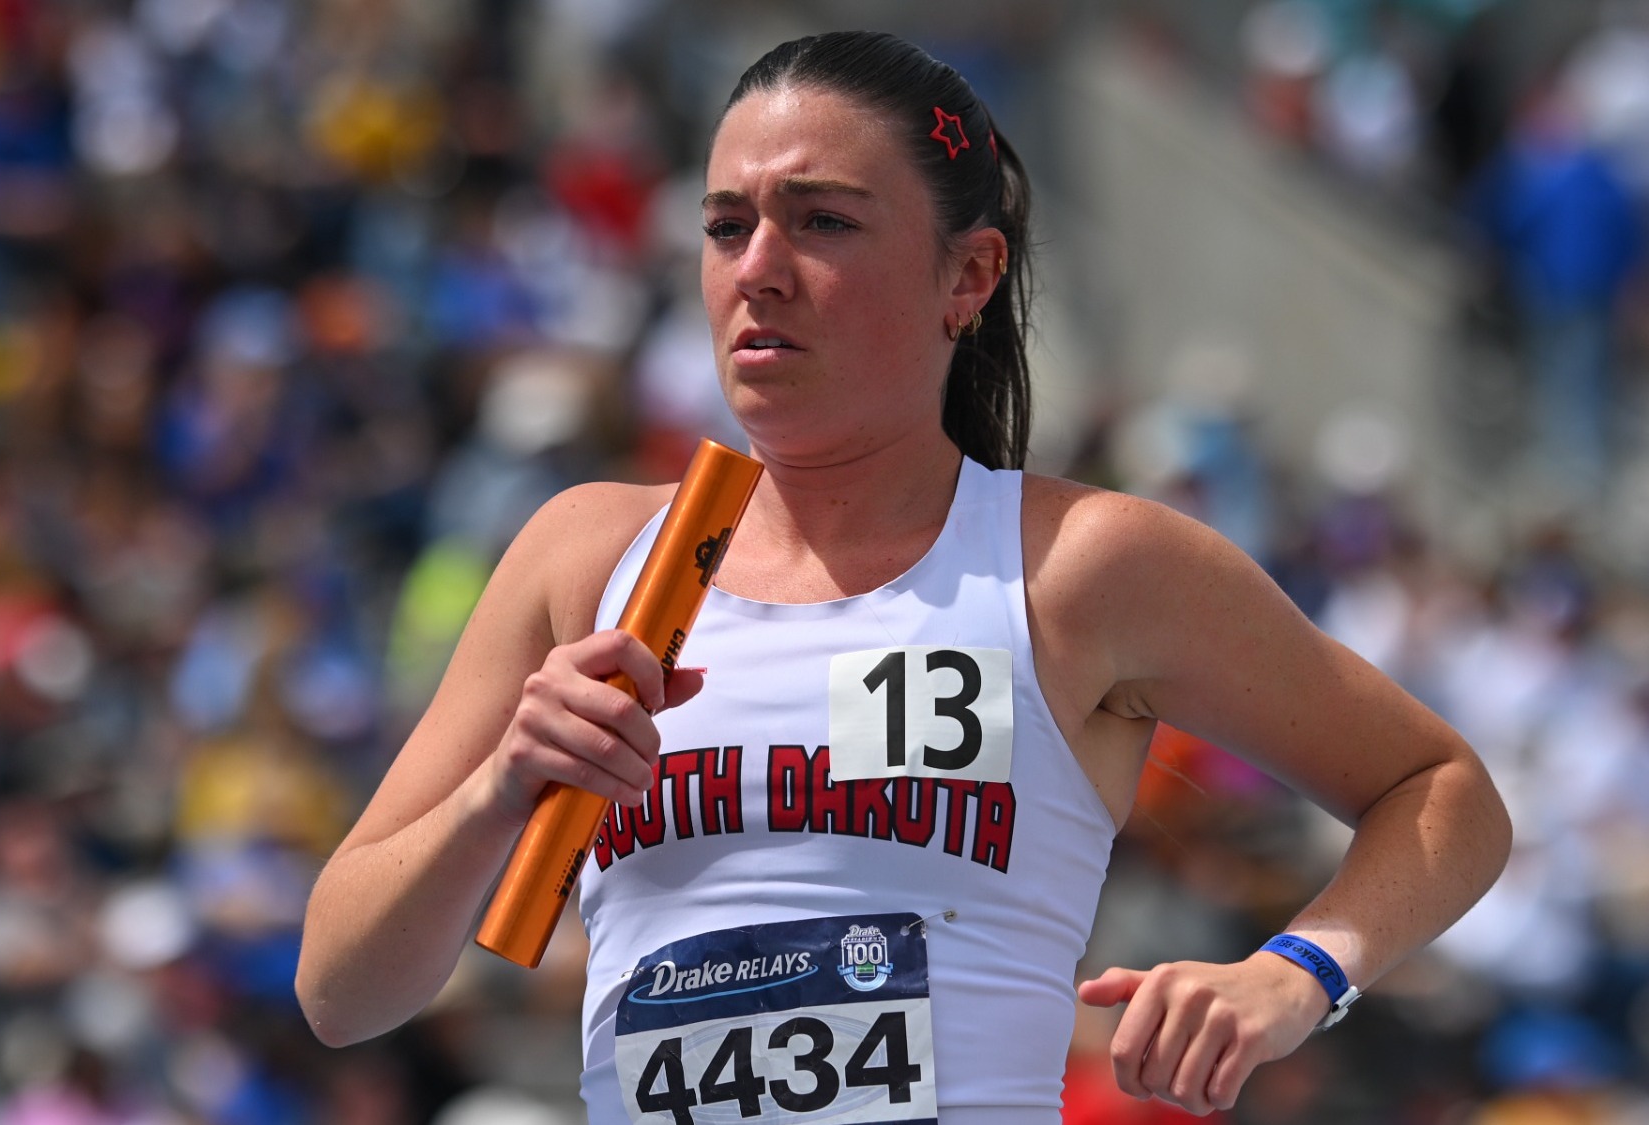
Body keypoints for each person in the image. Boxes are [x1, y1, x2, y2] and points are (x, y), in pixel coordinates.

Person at [297, 30, 1510, 1123]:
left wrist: (1294, 976)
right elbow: (340, 994)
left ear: (966, 277)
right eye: (725, 226)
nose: (756, 268)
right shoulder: (587, 554)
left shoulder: (1079, 565)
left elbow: (1442, 790)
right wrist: (495, 793)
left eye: (822, 222)